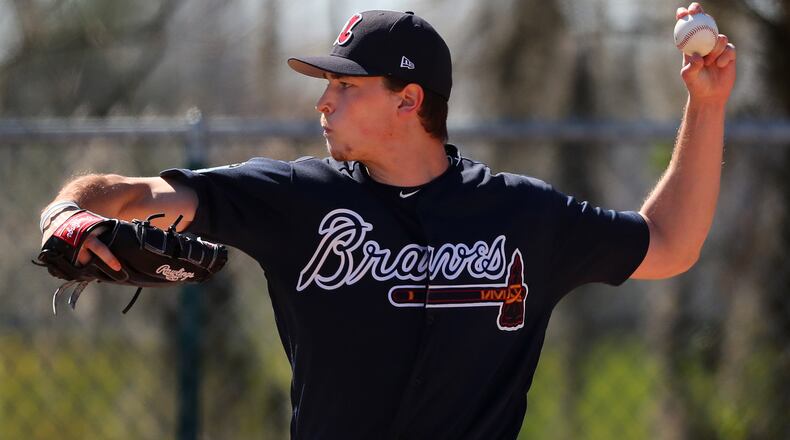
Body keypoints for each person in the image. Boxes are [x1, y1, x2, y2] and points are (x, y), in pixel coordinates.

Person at [39, 4, 736, 439]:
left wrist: (706, 105)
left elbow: (670, 243)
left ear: (409, 103)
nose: (324, 103)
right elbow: (131, 192)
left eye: (345, 86)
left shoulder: (524, 216)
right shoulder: (293, 199)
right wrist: (68, 213)